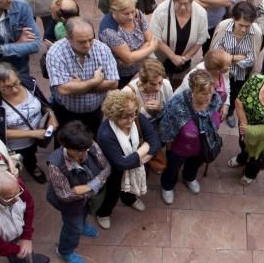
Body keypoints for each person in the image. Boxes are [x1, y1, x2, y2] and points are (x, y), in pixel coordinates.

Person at [45, 120, 110, 263]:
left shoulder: (89, 144)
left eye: (86, 149)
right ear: (67, 147)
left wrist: (89, 187)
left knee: (85, 211)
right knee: (72, 227)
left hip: (86, 196)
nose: (85, 154)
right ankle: (65, 251)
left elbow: (107, 168)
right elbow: (65, 195)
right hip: (69, 204)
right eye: (79, 151)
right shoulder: (55, 164)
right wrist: (97, 182)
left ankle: (83, 225)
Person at [0, 61, 56, 184]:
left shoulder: (29, 82)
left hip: (37, 134)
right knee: (18, 160)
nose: (15, 89)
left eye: (16, 83)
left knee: (31, 154)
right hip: (16, 145)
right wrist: (33, 134)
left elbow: (43, 102)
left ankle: (32, 167)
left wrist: (51, 115)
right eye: (7, 88)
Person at [94, 91, 158, 230]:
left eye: (133, 113)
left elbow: (155, 142)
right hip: (112, 171)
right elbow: (121, 164)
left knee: (132, 187)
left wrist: (142, 157)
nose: (131, 119)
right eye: (125, 117)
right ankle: (103, 213)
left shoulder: (137, 117)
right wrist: (143, 151)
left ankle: (129, 199)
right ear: (114, 115)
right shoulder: (106, 134)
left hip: (135, 164)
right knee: (112, 194)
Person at [45, 17, 120, 135]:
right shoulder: (56, 53)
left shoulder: (102, 50)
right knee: (66, 145)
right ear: (68, 38)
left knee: (92, 143)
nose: (87, 45)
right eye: (81, 41)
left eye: (91, 39)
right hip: (66, 113)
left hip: (95, 112)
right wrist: (95, 82)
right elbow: (63, 89)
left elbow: (113, 82)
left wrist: (79, 86)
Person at [158, 70, 223, 205]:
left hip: (203, 145)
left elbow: (219, 111)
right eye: (203, 93)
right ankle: (168, 185)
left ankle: (189, 177)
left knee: (195, 163)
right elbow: (166, 128)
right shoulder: (177, 105)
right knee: (172, 167)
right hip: (180, 148)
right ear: (193, 90)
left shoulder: (215, 99)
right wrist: (169, 146)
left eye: (210, 92)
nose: (208, 96)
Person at [150, 0, 210, 85]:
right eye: (179, 3)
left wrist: (185, 58)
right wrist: (173, 57)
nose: (182, 8)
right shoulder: (161, 11)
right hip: (161, 59)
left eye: (186, 4)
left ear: (192, 1)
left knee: (180, 86)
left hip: (183, 61)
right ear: (173, 0)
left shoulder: (201, 14)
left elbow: (201, 39)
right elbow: (156, 38)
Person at [123, 59, 174, 126]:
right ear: (142, 81)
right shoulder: (128, 91)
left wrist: (161, 109)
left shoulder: (166, 84)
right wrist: (144, 111)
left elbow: (172, 110)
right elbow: (124, 118)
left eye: (160, 82)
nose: (158, 88)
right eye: (153, 84)